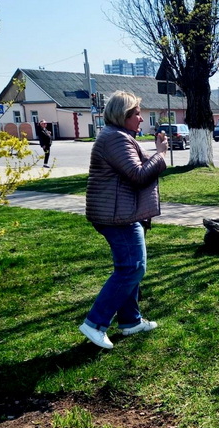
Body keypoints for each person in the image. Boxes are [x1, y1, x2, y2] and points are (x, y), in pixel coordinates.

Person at [78, 90, 169, 349]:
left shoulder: (117, 137)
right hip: (117, 216)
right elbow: (138, 175)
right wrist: (160, 153)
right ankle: (95, 323)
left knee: (130, 268)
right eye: (137, 114)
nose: (141, 119)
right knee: (132, 268)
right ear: (123, 116)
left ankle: (130, 321)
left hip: (118, 212)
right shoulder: (115, 139)